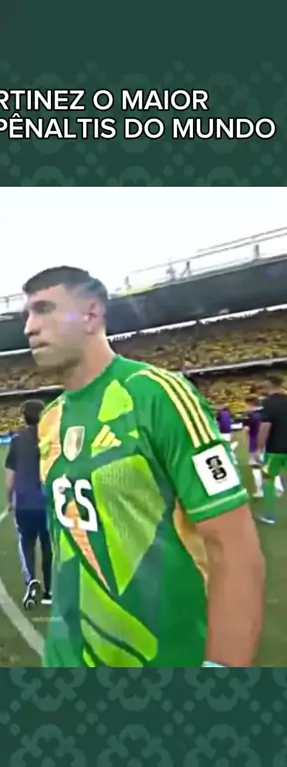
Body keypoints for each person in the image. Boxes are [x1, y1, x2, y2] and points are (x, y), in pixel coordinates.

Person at [22, 265, 265, 668]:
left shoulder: (160, 395)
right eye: (27, 314)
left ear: (91, 314)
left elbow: (233, 545)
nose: (29, 327)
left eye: (44, 309)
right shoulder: (50, 420)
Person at [4, 399, 52, 608]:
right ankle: (49, 590)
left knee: (26, 543)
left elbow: (10, 475)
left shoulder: (17, 441)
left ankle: (31, 580)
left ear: (24, 417)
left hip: (24, 501)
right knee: (49, 545)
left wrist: (9, 499)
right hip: (48, 501)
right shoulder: (52, 437)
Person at [257, 375, 287, 524]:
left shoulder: (268, 403)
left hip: (274, 450)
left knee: (268, 481)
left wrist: (258, 447)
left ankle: (269, 515)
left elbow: (265, 427)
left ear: (269, 384)